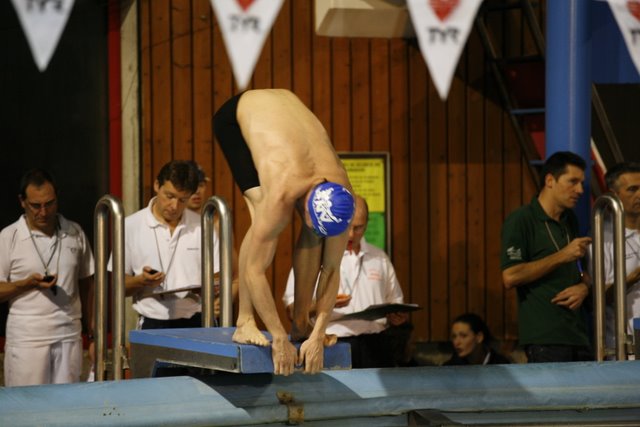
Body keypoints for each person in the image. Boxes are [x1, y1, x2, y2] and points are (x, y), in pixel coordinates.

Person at [213, 89, 355, 375]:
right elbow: (254, 270)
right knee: (259, 210)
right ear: (305, 206)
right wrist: (278, 336)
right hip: (236, 116)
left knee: (314, 236)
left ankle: (301, 323)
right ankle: (244, 321)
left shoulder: (343, 196)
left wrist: (318, 334)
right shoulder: (282, 193)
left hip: (286, 108)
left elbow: (331, 269)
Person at [282, 195, 411, 368]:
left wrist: (397, 316)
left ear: (367, 224)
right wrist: (324, 304)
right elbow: (292, 311)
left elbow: (395, 301)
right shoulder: (314, 257)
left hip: (376, 344)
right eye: (347, 227)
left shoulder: (379, 257)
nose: (351, 234)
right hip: (330, 341)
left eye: (358, 228)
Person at [0, 169, 94, 386]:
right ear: (22, 202)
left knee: (67, 403)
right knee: (27, 403)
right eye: (36, 205)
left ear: (57, 198)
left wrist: (93, 335)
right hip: (27, 339)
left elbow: (87, 285)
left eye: (49, 204)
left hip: (68, 336)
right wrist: (25, 285)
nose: (43, 212)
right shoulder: (8, 236)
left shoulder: (74, 232)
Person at [501, 151, 592, 363]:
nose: (580, 190)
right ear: (550, 180)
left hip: (578, 334)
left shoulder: (569, 219)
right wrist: (562, 255)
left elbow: (581, 271)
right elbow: (511, 276)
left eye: (581, 183)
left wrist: (584, 287)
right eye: (573, 182)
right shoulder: (522, 219)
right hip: (546, 338)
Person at [118, 160, 219, 329]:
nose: (174, 206)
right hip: (152, 319)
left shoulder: (203, 226)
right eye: (169, 196)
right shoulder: (130, 225)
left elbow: (219, 276)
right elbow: (117, 287)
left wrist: (210, 288)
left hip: (197, 318)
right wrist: (141, 280)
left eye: (183, 200)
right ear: (157, 185)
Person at [185, 161, 239, 322]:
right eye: (192, 186)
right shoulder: (169, 227)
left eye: (201, 185)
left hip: (209, 310)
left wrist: (222, 303)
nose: (197, 191)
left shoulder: (218, 224)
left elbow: (235, 276)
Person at [601, 162, 640, 356]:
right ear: (614, 195)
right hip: (624, 347)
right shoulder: (602, 238)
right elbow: (598, 298)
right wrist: (632, 278)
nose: (639, 194)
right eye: (632, 189)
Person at [443, 313, 510, 366]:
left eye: (463, 336)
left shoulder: (501, 365)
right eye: (454, 337)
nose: (456, 342)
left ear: (479, 337)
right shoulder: (449, 368)